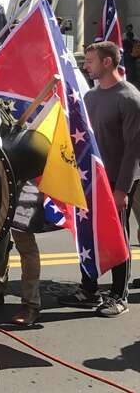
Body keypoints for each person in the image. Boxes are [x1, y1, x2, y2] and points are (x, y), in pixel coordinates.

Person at [58, 41, 140, 317]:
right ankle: (89, 289)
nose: (86, 66)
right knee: (88, 233)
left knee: (117, 236)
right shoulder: (91, 98)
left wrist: (123, 189)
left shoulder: (129, 99)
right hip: (91, 179)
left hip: (117, 182)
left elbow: (134, 150)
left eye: (91, 61)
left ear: (107, 62)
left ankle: (119, 295)